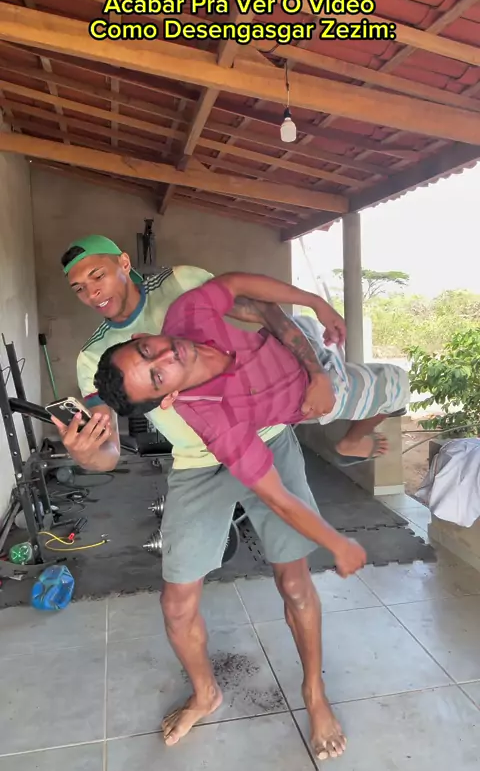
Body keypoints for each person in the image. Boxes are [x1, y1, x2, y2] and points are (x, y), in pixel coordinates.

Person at [51, 234, 355, 761]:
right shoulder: (94, 356)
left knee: (294, 581)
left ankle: (314, 692)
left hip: (266, 439)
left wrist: (314, 370)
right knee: (176, 604)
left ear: (123, 263)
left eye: (97, 275)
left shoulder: (182, 285)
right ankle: (205, 693)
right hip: (197, 462)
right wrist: (85, 455)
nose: (91, 292)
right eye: (78, 288)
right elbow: (108, 453)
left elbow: (259, 308)